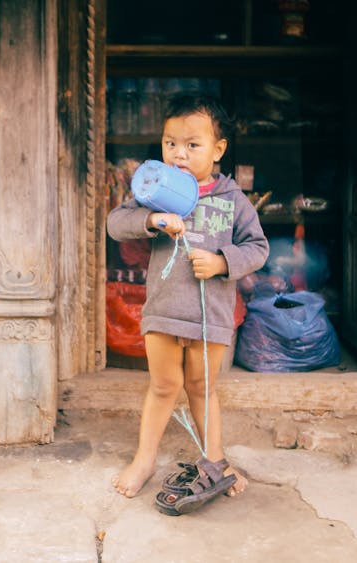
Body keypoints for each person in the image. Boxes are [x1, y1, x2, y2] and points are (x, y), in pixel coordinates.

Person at [106, 92, 269, 514]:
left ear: (218, 150)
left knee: (203, 389)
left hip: (210, 318)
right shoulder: (156, 193)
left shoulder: (232, 200)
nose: (179, 154)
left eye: (192, 145)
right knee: (162, 387)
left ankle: (216, 462)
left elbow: (258, 248)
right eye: (170, 143)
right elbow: (116, 224)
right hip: (162, 311)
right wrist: (152, 220)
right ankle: (144, 459)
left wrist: (220, 262)